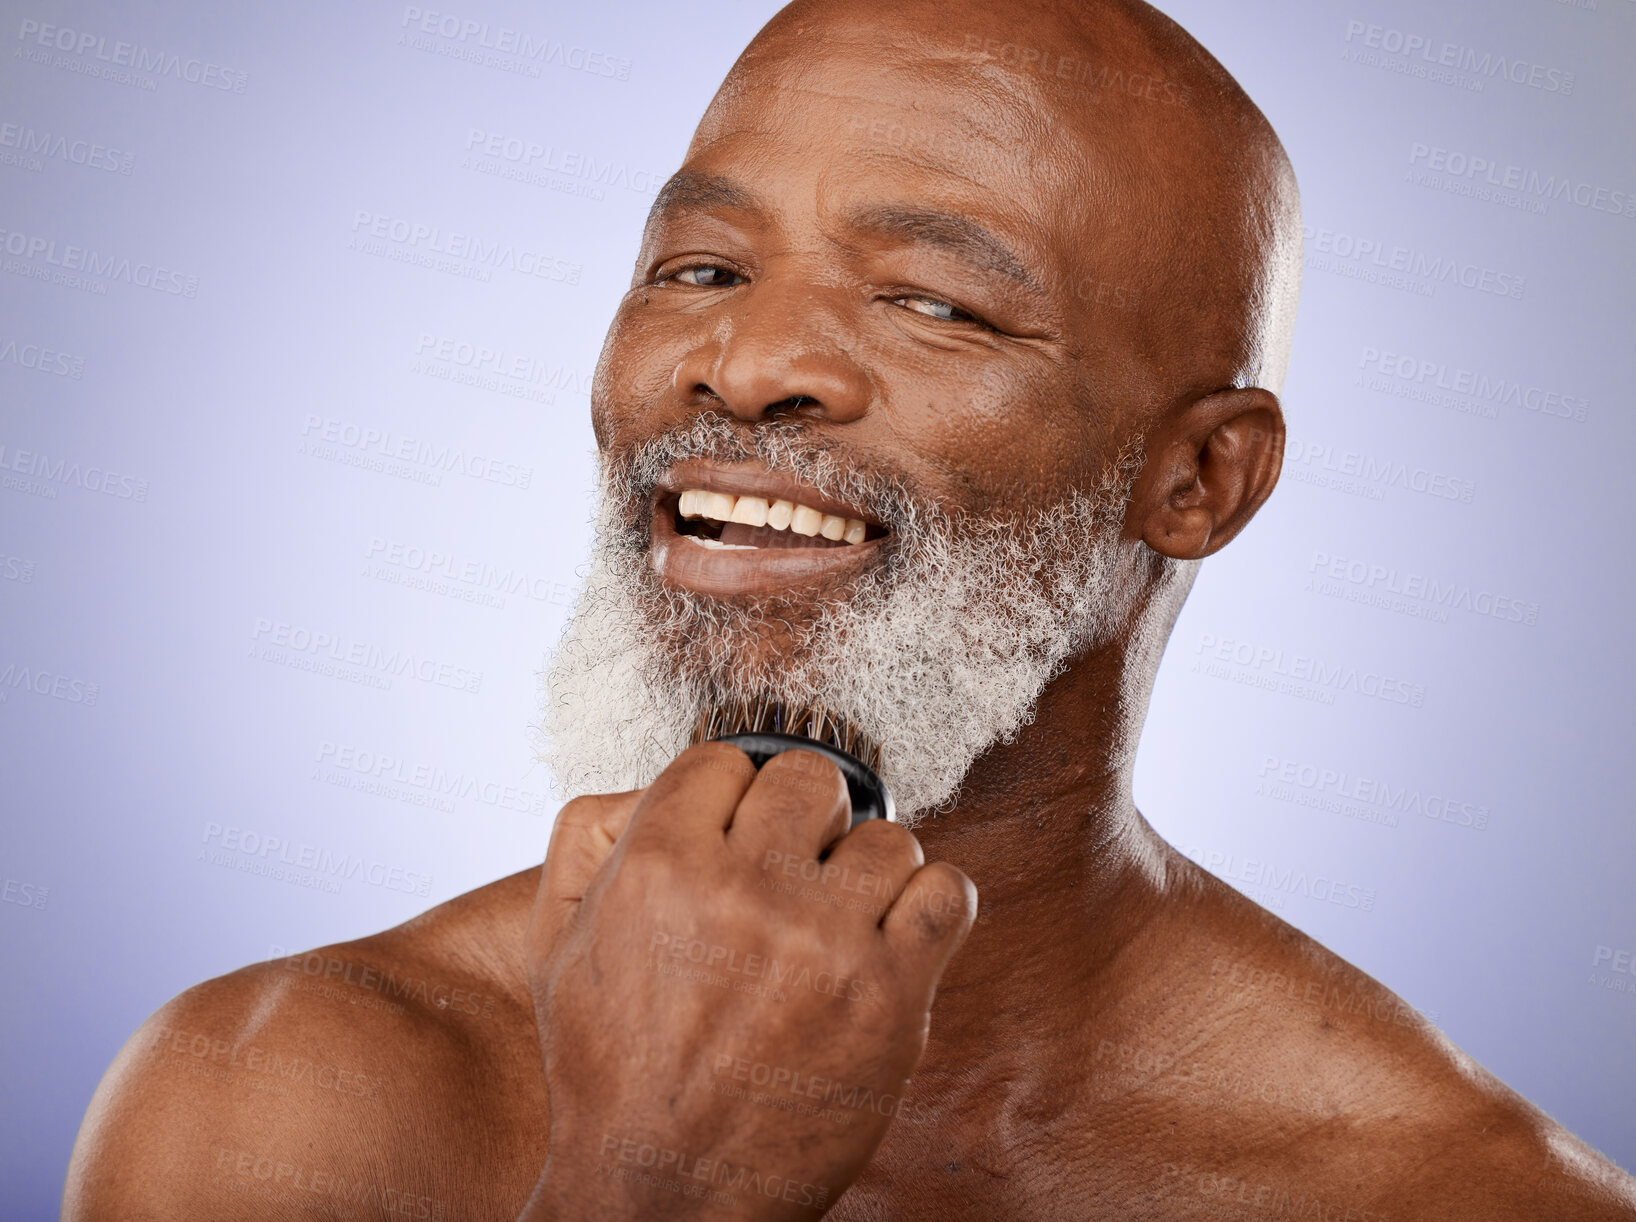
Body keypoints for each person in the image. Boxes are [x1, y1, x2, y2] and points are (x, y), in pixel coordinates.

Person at [63, 0, 1636, 1217]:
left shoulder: (1455, 1194)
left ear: (1202, 480)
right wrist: (647, 1184)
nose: (745, 367)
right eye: (695, 270)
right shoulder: (287, 1101)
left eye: (935, 301)